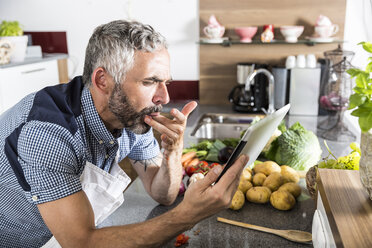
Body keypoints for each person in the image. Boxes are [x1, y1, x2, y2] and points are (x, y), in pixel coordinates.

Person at [0, 20, 248, 247]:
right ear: (103, 81)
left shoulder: (129, 116)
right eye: (150, 81)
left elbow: (162, 193)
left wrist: (173, 150)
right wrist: (188, 215)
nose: (165, 97)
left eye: (166, 82)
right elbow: (83, 242)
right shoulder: (47, 135)